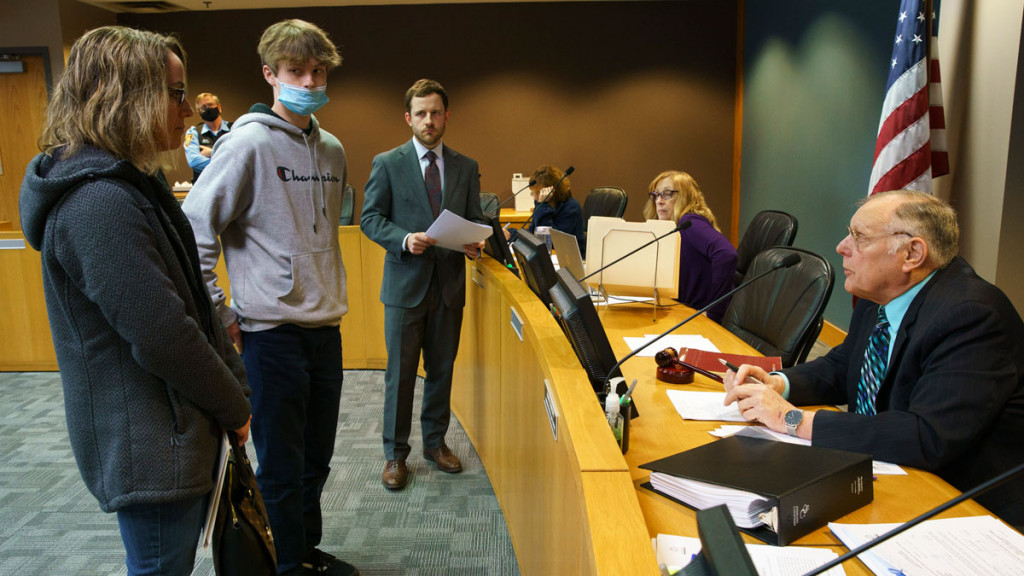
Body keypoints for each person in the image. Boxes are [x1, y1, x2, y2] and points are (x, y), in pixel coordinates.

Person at [18, 26, 251, 575]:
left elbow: (189, 302)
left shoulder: (128, 185)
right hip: (148, 444)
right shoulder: (98, 203)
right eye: (174, 93)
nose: (190, 109)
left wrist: (231, 386)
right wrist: (236, 405)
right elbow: (164, 334)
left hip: (171, 429)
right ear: (124, 96)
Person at [723, 190, 1024, 526]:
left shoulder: (971, 316)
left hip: (965, 506)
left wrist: (791, 420)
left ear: (912, 253)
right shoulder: (881, 293)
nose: (841, 247)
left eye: (859, 237)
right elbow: (844, 365)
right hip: (886, 471)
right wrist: (780, 384)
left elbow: (927, 435)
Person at [181, 19, 359, 576]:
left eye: (318, 71)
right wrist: (220, 312)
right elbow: (194, 229)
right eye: (295, 71)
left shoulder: (331, 150)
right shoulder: (249, 143)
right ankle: (286, 567)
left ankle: (303, 552)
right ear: (270, 75)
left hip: (324, 328)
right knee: (282, 467)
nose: (308, 80)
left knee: (317, 461)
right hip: (269, 334)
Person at [360, 78, 485, 491]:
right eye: (421, 114)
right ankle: (395, 455)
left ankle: (435, 443)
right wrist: (403, 239)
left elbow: (473, 221)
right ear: (408, 118)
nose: (428, 121)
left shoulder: (466, 167)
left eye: (435, 113)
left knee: (441, 371)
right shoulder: (388, 163)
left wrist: (474, 244)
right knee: (400, 374)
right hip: (404, 285)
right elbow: (371, 219)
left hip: (449, 286)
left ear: (447, 116)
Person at [643, 170, 737, 322]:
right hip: (678, 310)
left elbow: (726, 254)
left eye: (667, 194)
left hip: (697, 318)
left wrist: (714, 312)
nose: (659, 201)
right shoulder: (672, 227)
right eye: (656, 195)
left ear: (685, 197)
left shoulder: (690, 223)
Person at [505, 164, 586, 257]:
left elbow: (552, 241)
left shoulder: (571, 208)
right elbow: (533, 234)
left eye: (539, 192)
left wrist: (543, 206)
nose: (535, 197)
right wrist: (511, 234)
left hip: (570, 260)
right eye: (533, 192)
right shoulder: (542, 204)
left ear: (552, 191)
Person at [183, 92, 231, 182]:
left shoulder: (234, 129)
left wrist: (212, 152)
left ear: (219, 108)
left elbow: (243, 158)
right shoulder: (193, 133)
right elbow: (194, 161)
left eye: (210, 105)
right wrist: (227, 163)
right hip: (204, 189)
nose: (207, 109)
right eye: (203, 107)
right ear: (199, 113)